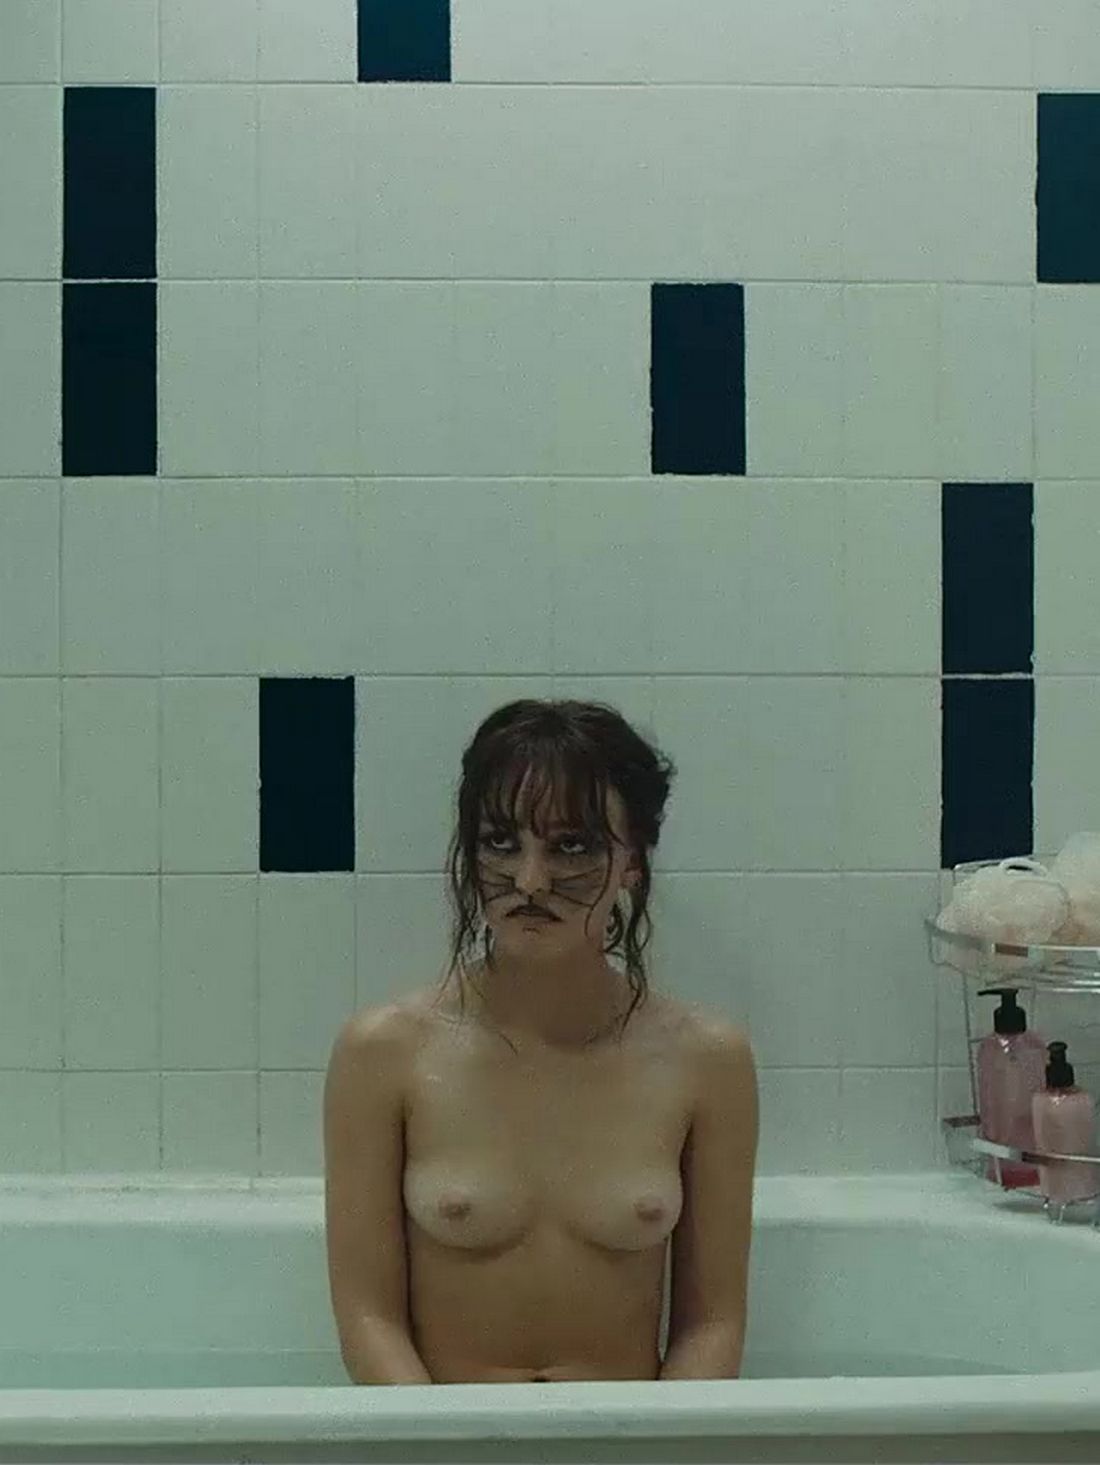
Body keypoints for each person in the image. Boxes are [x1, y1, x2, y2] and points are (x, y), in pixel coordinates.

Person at [324, 699, 758, 1384]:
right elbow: (368, 1317)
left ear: (633, 861)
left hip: (633, 1435)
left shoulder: (706, 1061)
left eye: (572, 846)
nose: (529, 881)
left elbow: (713, 1323)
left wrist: (662, 1441)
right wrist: (438, 1439)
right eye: (501, 842)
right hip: (443, 1433)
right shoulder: (385, 1053)